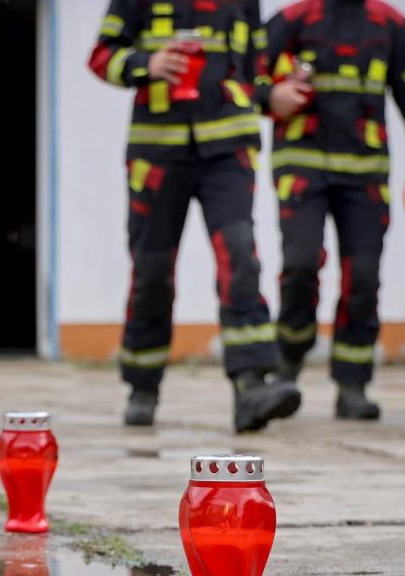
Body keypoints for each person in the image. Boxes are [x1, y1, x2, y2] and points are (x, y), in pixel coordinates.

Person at [89, 0, 300, 433]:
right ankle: (142, 385)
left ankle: (251, 386)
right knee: (152, 271)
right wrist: (147, 63)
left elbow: (254, 69)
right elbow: (101, 56)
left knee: (240, 255)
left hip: (228, 150)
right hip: (158, 153)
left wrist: (272, 94)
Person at [255, 0, 405, 420]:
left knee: (363, 276)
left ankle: (353, 383)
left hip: (365, 173)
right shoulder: (294, 20)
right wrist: (271, 94)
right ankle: (287, 363)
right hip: (301, 168)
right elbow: (241, 73)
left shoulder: (390, 24)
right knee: (301, 265)